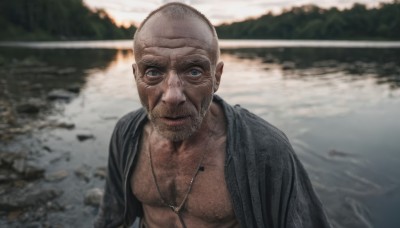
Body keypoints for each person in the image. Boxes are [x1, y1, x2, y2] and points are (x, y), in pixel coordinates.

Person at [95, 2, 331, 228]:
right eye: (154, 71)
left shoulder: (264, 149)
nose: (173, 95)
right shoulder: (127, 135)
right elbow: (112, 219)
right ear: (136, 75)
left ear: (217, 77)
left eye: (194, 71)